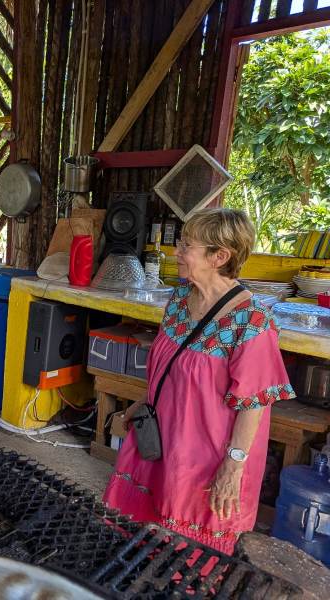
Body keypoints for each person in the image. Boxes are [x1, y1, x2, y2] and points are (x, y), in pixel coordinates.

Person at [103, 208, 295, 554]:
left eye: (186, 246)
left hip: (207, 457)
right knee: (141, 541)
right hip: (161, 439)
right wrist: (140, 405)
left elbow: (254, 403)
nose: (176, 252)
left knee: (189, 558)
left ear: (219, 256)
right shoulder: (179, 300)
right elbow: (171, 372)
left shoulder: (250, 321)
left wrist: (232, 468)